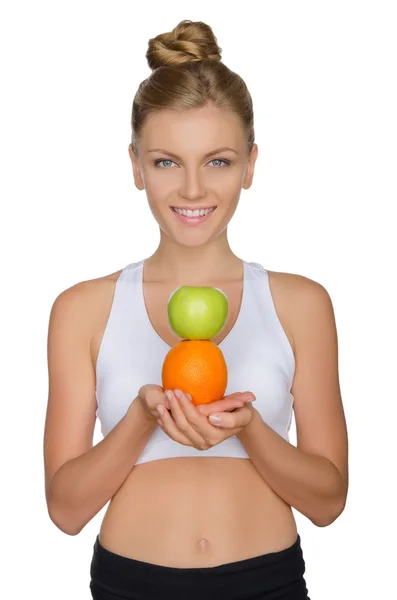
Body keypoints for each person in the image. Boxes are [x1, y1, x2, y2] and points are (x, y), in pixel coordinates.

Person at [43, 19, 348, 600]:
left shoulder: (302, 303)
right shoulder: (82, 309)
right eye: (165, 162)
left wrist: (251, 430)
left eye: (217, 161)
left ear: (251, 165)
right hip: (129, 584)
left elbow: (329, 501)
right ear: (135, 165)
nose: (191, 190)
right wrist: (140, 419)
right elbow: (65, 509)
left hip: (267, 582)